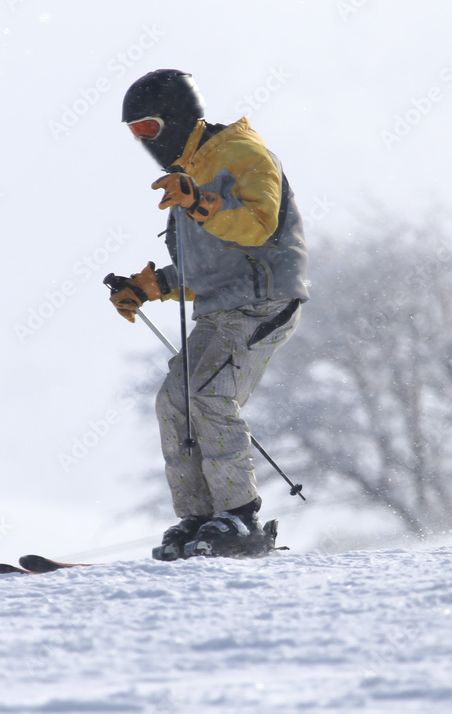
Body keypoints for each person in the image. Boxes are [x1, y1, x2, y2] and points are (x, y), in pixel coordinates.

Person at [110, 69, 309, 560]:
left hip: (264, 303)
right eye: (135, 134)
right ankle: (199, 518)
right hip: (221, 311)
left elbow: (258, 226)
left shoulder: (242, 155)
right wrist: (149, 286)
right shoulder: (191, 174)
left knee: (211, 395)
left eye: (149, 129)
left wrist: (200, 200)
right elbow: (208, 266)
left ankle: (239, 518)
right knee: (174, 401)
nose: (144, 142)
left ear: (175, 118)